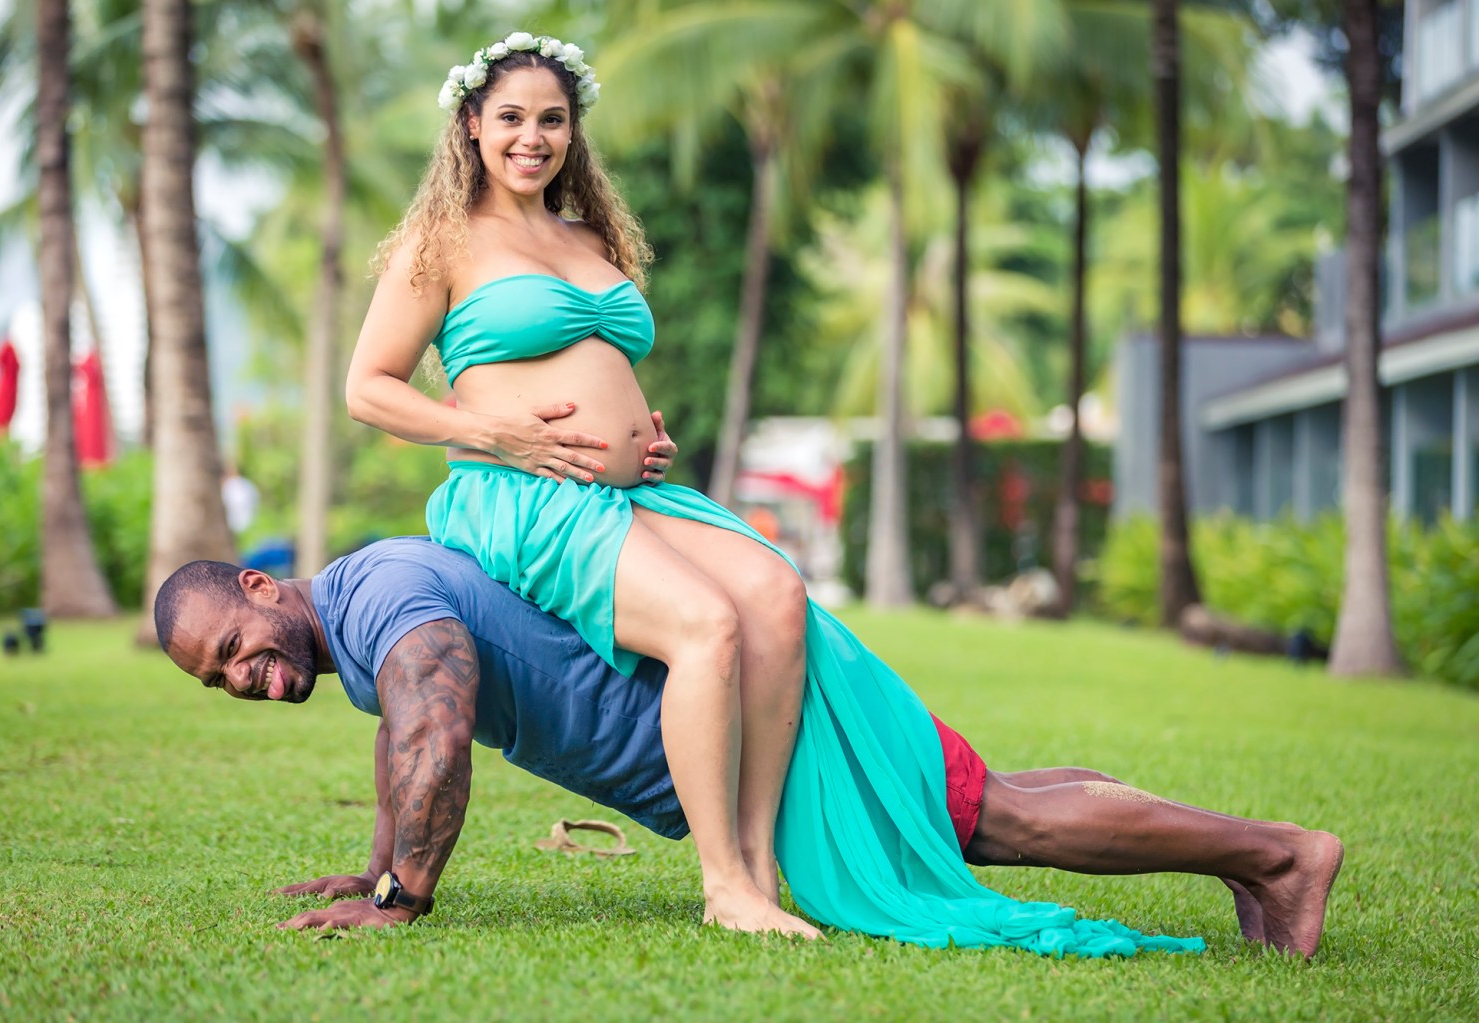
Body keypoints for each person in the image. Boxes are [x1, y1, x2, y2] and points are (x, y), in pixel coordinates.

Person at [153, 538, 1344, 958]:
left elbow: (437, 717)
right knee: (989, 796)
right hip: (738, 729)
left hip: (748, 730)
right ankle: (1252, 863)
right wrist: (368, 864)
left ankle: (1279, 856)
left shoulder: (373, 601)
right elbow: (400, 736)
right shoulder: (359, 621)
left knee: (992, 820)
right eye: (225, 682)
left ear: (261, 588)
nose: (249, 681)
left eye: (238, 649)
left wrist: (402, 901)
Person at [344, 31, 812, 937]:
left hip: (632, 490)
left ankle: (758, 865)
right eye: (512, 117)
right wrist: (493, 433)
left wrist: (645, 430)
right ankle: (723, 885)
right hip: (525, 496)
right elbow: (367, 388)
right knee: (706, 624)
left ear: (573, 132)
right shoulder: (439, 243)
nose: (533, 137)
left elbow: (595, 359)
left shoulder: (590, 234)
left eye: (552, 120)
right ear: (471, 123)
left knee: (777, 594)